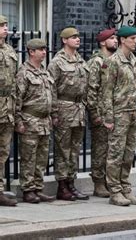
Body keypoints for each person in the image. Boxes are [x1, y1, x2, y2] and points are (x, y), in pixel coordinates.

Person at [102, 26, 136, 206]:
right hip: (119, 113)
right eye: (132, 38)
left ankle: (126, 187)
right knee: (115, 154)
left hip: (133, 112)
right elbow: (106, 91)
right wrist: (108, 118)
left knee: (128, 154)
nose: (135, 41)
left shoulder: (135, 61)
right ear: (123, 40)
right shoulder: (112, 61)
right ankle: (115, 191)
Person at [48, 27, 89, 201]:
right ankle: (62, 185)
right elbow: (51, 88)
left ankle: (71, 183)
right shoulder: (57, 62)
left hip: (78, 109)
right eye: (73, 37)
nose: (77, 39)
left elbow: (86, 86)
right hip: (64, 108)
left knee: (75, 149)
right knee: (62, 149)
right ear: (64, 40)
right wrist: (54, 113)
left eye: (78, 37)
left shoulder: (80, 60)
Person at [15, 39, 55, 203]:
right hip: (30, 120)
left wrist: (53, 115)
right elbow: (17, 99)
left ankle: (38, 188)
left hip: (44, 121)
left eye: (45, 49)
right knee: (28, 158)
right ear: (31, 52)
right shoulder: (24, 73)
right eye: (40, 50)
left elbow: (51, 95)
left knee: (41, 158)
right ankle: (28, 190)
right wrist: (18, 121)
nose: (44, 52)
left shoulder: (45, 72)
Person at [86, 28, 117, 198]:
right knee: (100, 149)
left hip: (112, 111)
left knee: (111, 149)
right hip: (101, 111)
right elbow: (92, 89)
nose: (116, 41)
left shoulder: (114, 60)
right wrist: (95, 114)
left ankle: (108, 180)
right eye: (112, 38)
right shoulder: (96, 62)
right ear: (103, 42)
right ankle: (98, 182)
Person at [0, 15, 18, 207]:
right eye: (2, 26)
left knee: (3, 151)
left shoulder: (9, 50)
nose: (5, 28)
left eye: (6, 25)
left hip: (7, 105)